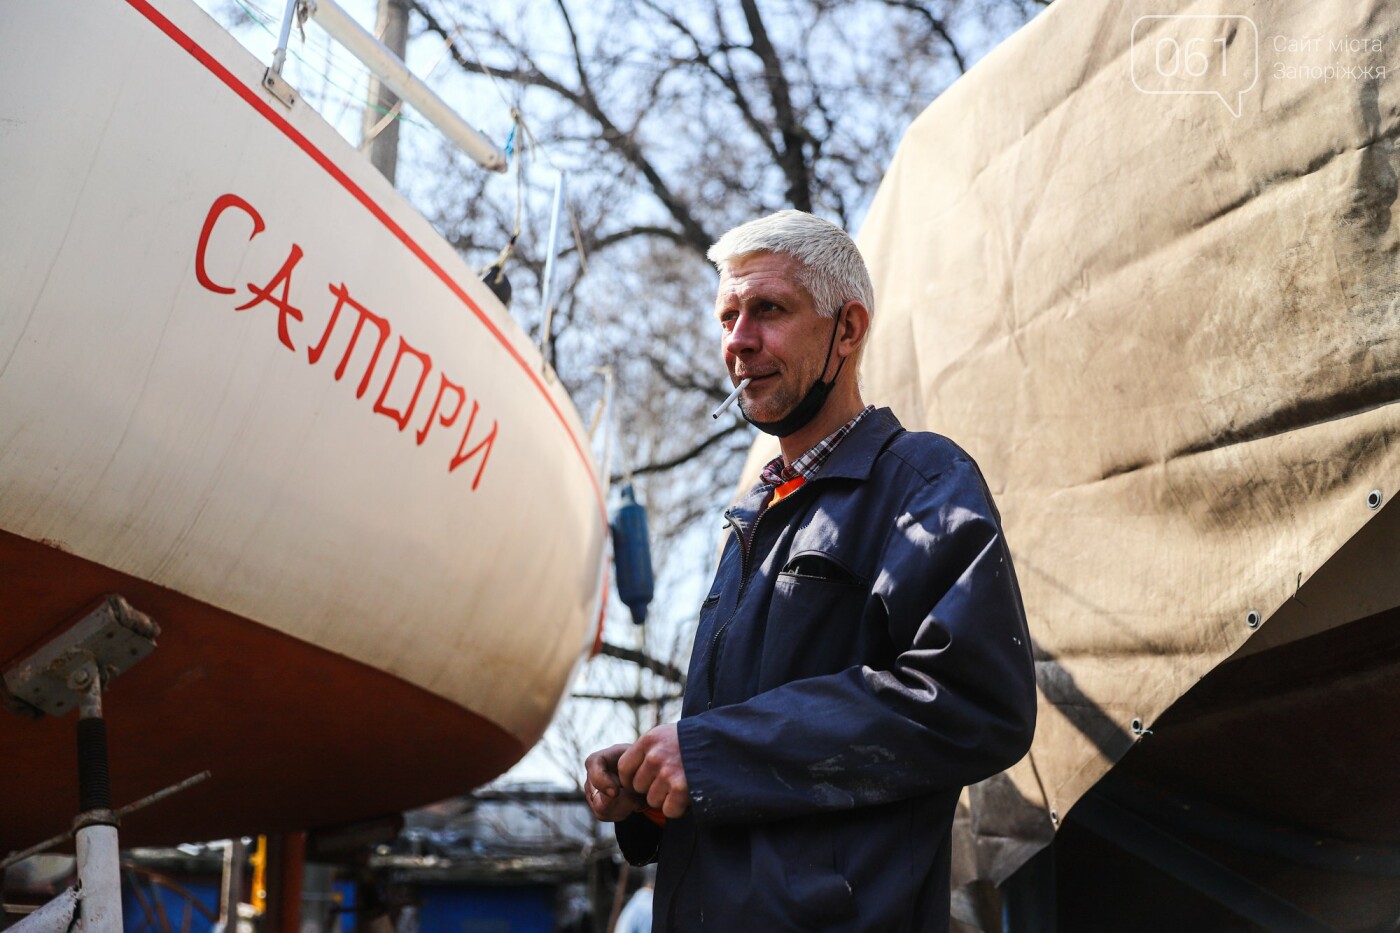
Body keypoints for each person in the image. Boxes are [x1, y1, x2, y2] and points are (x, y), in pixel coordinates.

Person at [585, 210, 1037, 932]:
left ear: (847, 330)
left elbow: (975, 701)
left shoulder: (922, 481)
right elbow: (750, 760)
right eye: (728, 315)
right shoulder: (751, 518)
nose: (738, 340)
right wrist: (652, 787)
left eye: (768, 309)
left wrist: (707, 753)